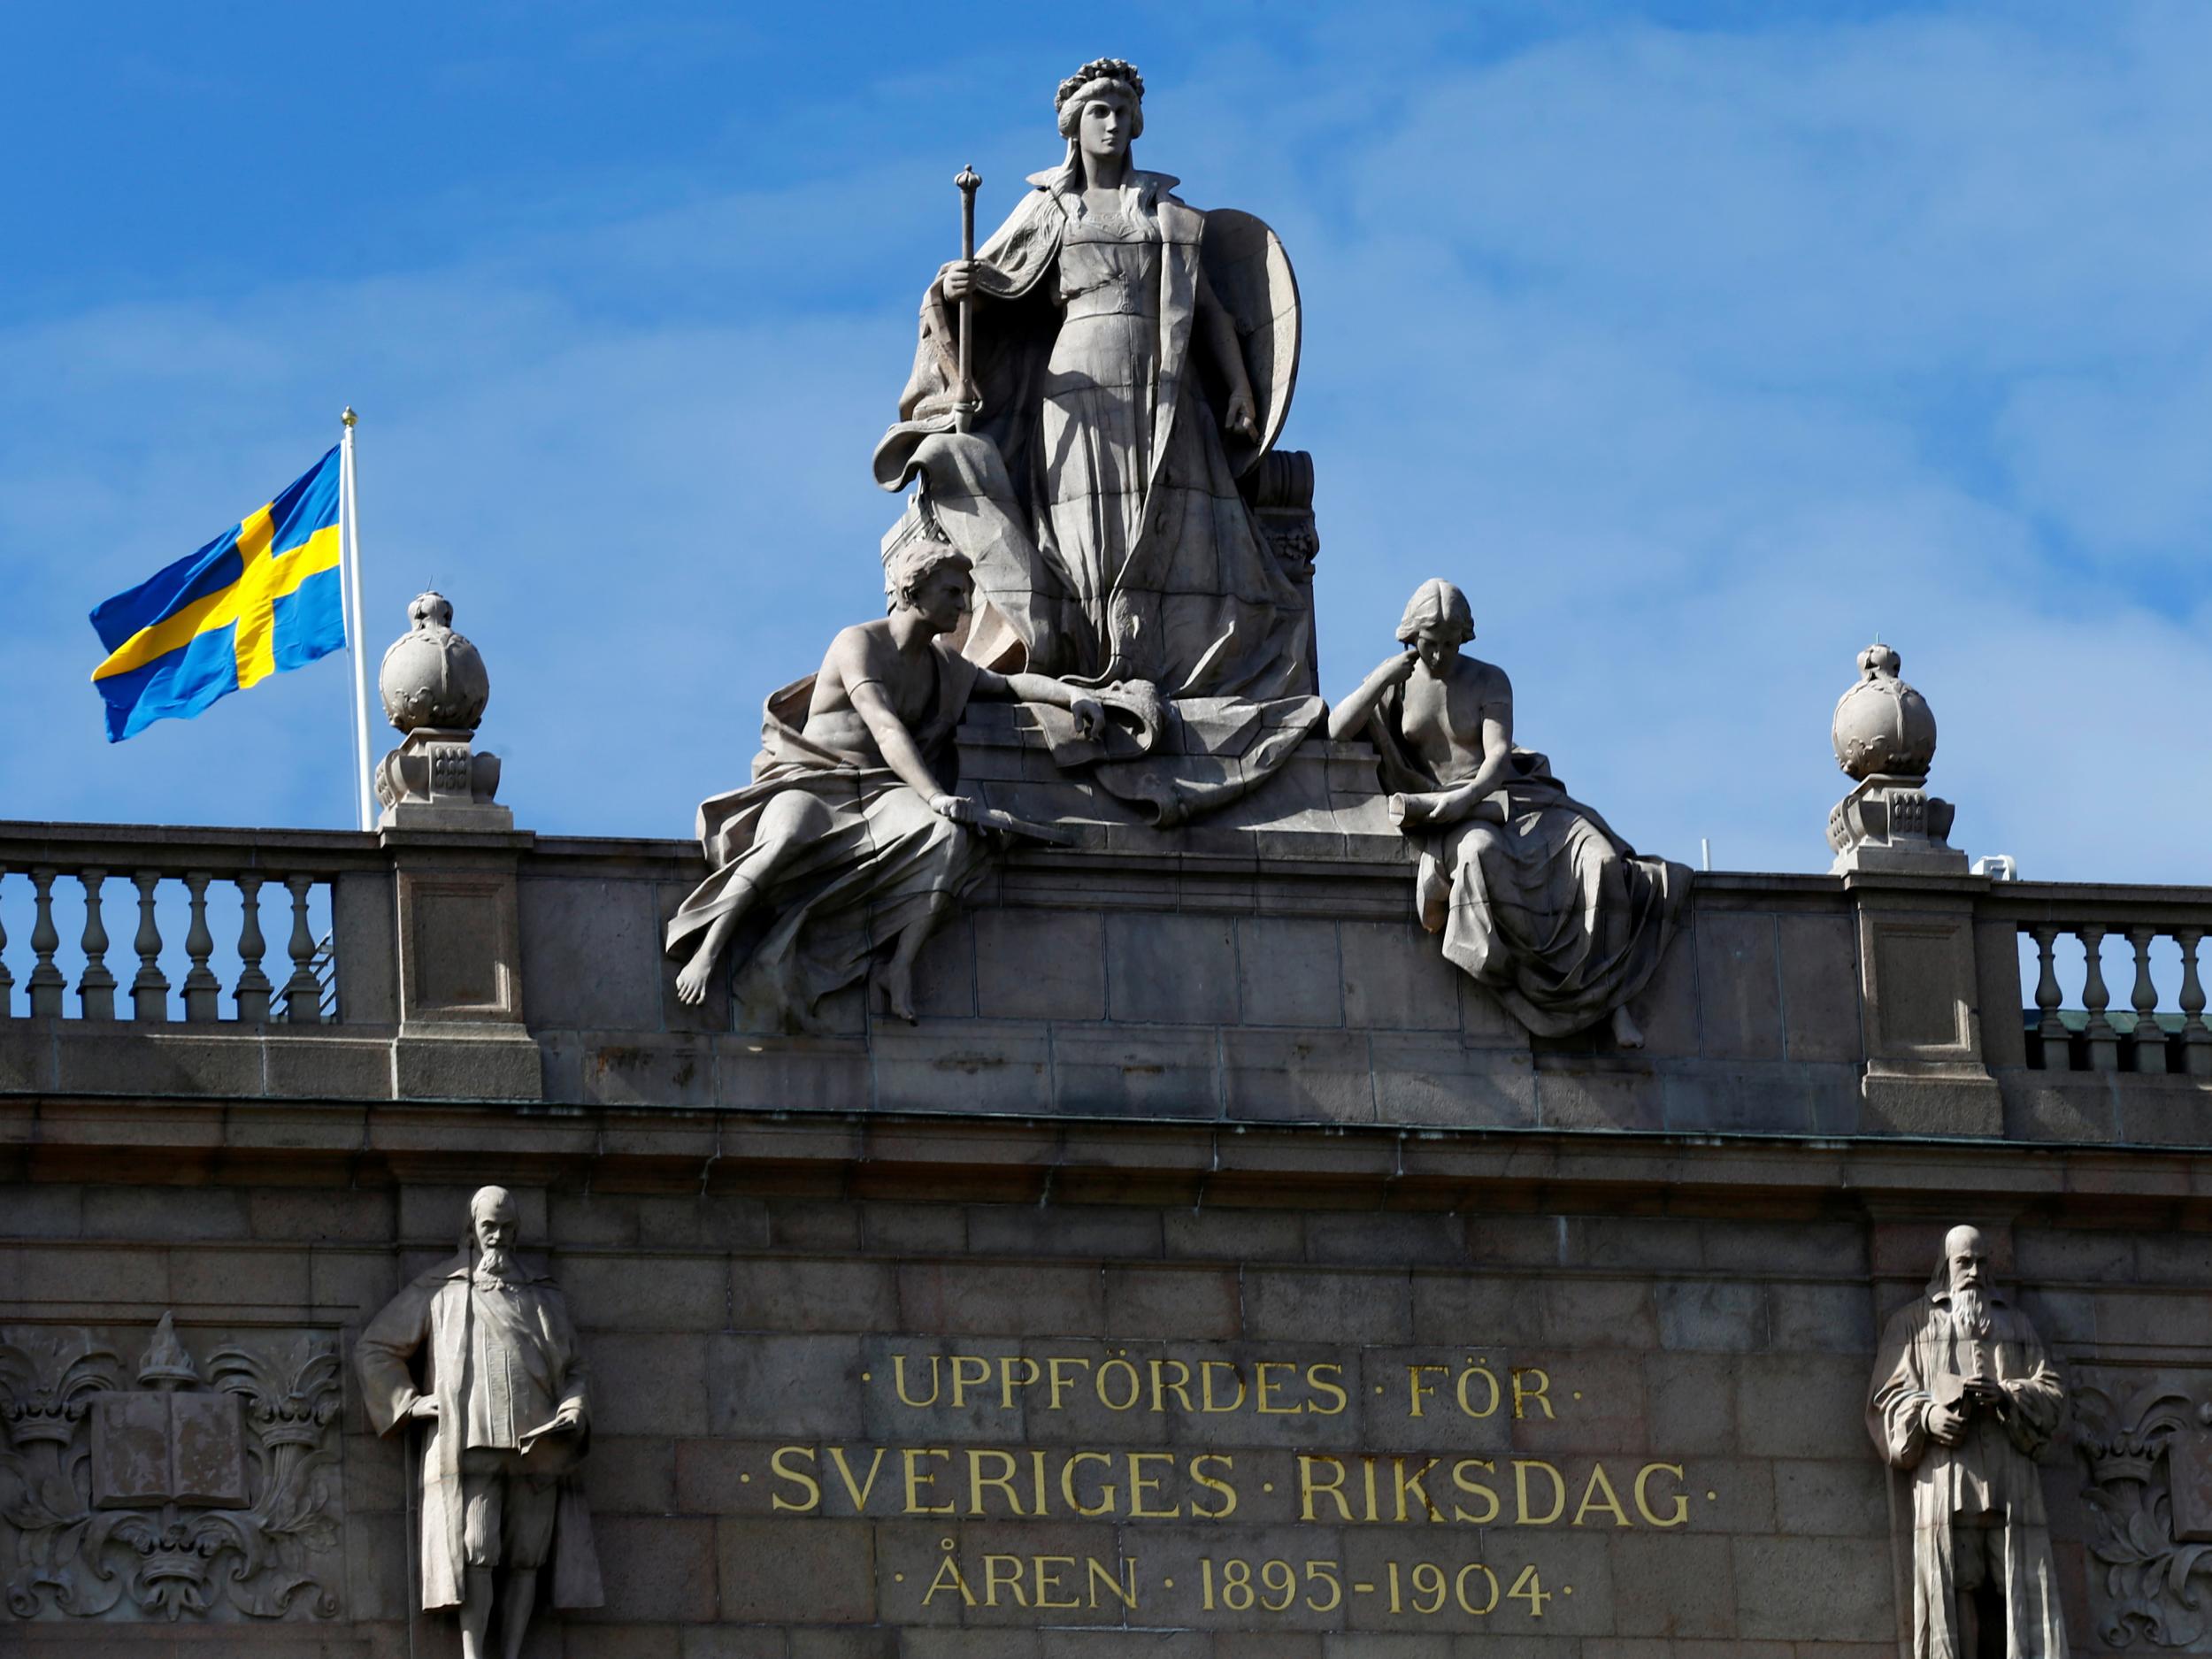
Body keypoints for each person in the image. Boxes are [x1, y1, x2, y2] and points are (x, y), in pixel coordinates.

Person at [872, 56, 1311, 708]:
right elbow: (985, 283)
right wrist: (960, 285)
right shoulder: (1051, 209)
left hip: (1167, 386)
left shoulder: (1166, 214)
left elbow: (1211, 309)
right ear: (1072, 128)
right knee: (1084, 530)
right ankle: (1094, 654)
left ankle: (1171, 662)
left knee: (1178, 518)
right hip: (1079, 383)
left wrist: (1241, 388)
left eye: (1122, 113)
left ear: (1137, 125)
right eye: (1097, 113)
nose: (1111, 124)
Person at [666, 540, 1104, 1025]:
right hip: (814, 781)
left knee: (949, 838)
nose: (964, 607)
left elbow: (1008, 686)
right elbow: (884, 725)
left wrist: (1069, 696)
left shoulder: (943, 666)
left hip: (878, 791)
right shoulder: (859, 643)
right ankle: (709, 950)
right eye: (954, 593)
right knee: (784, 838)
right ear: (913, 590)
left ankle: (897, 968)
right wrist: (935, 795)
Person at [1328, 579, 1685, 1046]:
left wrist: (1465, 797)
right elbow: (1336, 730)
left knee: (1600, 861)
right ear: (1411, 637)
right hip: (1455, 817)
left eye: (1450, 644)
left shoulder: (1489, 679)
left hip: (1511, 797)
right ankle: (1544, 991)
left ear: (1465, 639)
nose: (1439, 655)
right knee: (1483, 857)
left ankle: (1608, 999)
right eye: (1430, 644)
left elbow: (1496, 759)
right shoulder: (1398, 685)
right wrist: (1379, 679)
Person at [356, 1187, 601, 1659]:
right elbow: (376, 1348)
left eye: (508, 1228)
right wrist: (409, 1403)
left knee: (528, 1557)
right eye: (490, 1227)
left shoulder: (542, 1295)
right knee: (477, 1552)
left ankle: (509, 1653)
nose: (499, 1238)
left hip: (538, 1443)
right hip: (474, 1440)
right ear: (472, 1229)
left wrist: (573, 1409)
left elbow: (576, 1371)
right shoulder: (441, 1287)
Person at [1869, 1225, 2070, 1659]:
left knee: (2015, 1585)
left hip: (2009, 1478)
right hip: (1948, 1478)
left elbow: (2052, 1391)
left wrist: (2008, 1395)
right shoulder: (1912, 1323)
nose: (1974, 1271)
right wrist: (1927, 1415)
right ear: (1946, 1268)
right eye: (1964, 1262)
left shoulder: (2016, 1326)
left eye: (1981, 1262)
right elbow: (1886, 1397)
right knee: (1958, 1585)